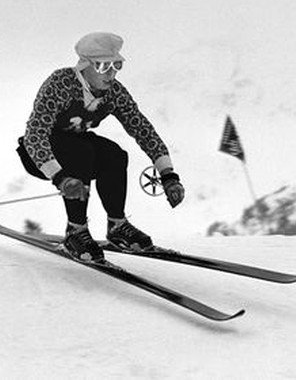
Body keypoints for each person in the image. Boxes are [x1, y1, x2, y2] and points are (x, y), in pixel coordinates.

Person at [17, 32, 185, 262]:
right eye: (105, 67)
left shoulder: (114, 92)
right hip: (38, 153)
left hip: (75, 150)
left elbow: (141, 128)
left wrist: (168, 174)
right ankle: (75, 231)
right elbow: (35, 133)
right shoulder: (61, 83)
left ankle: (117, 225)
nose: (112, 74)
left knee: (114, 154)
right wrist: (59, 177)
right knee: (81, 153)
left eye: (117, 66)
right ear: (85, 65)